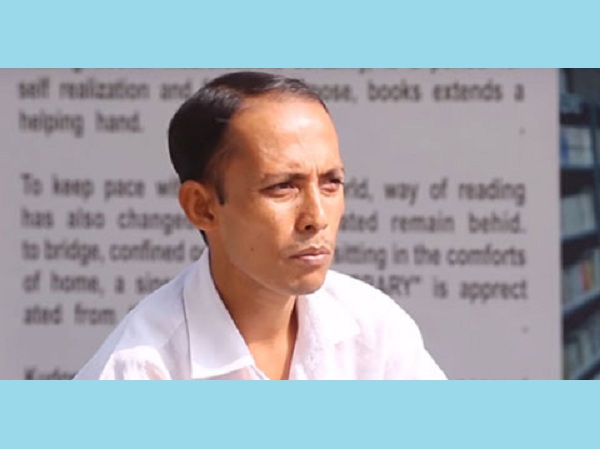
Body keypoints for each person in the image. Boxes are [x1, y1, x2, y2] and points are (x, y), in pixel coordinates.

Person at [74, 71, 446, 380]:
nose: (316, 217)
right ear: (202, 207)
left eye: (331, 182)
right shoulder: (139, 370)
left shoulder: (374, 329)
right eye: (282, 186)